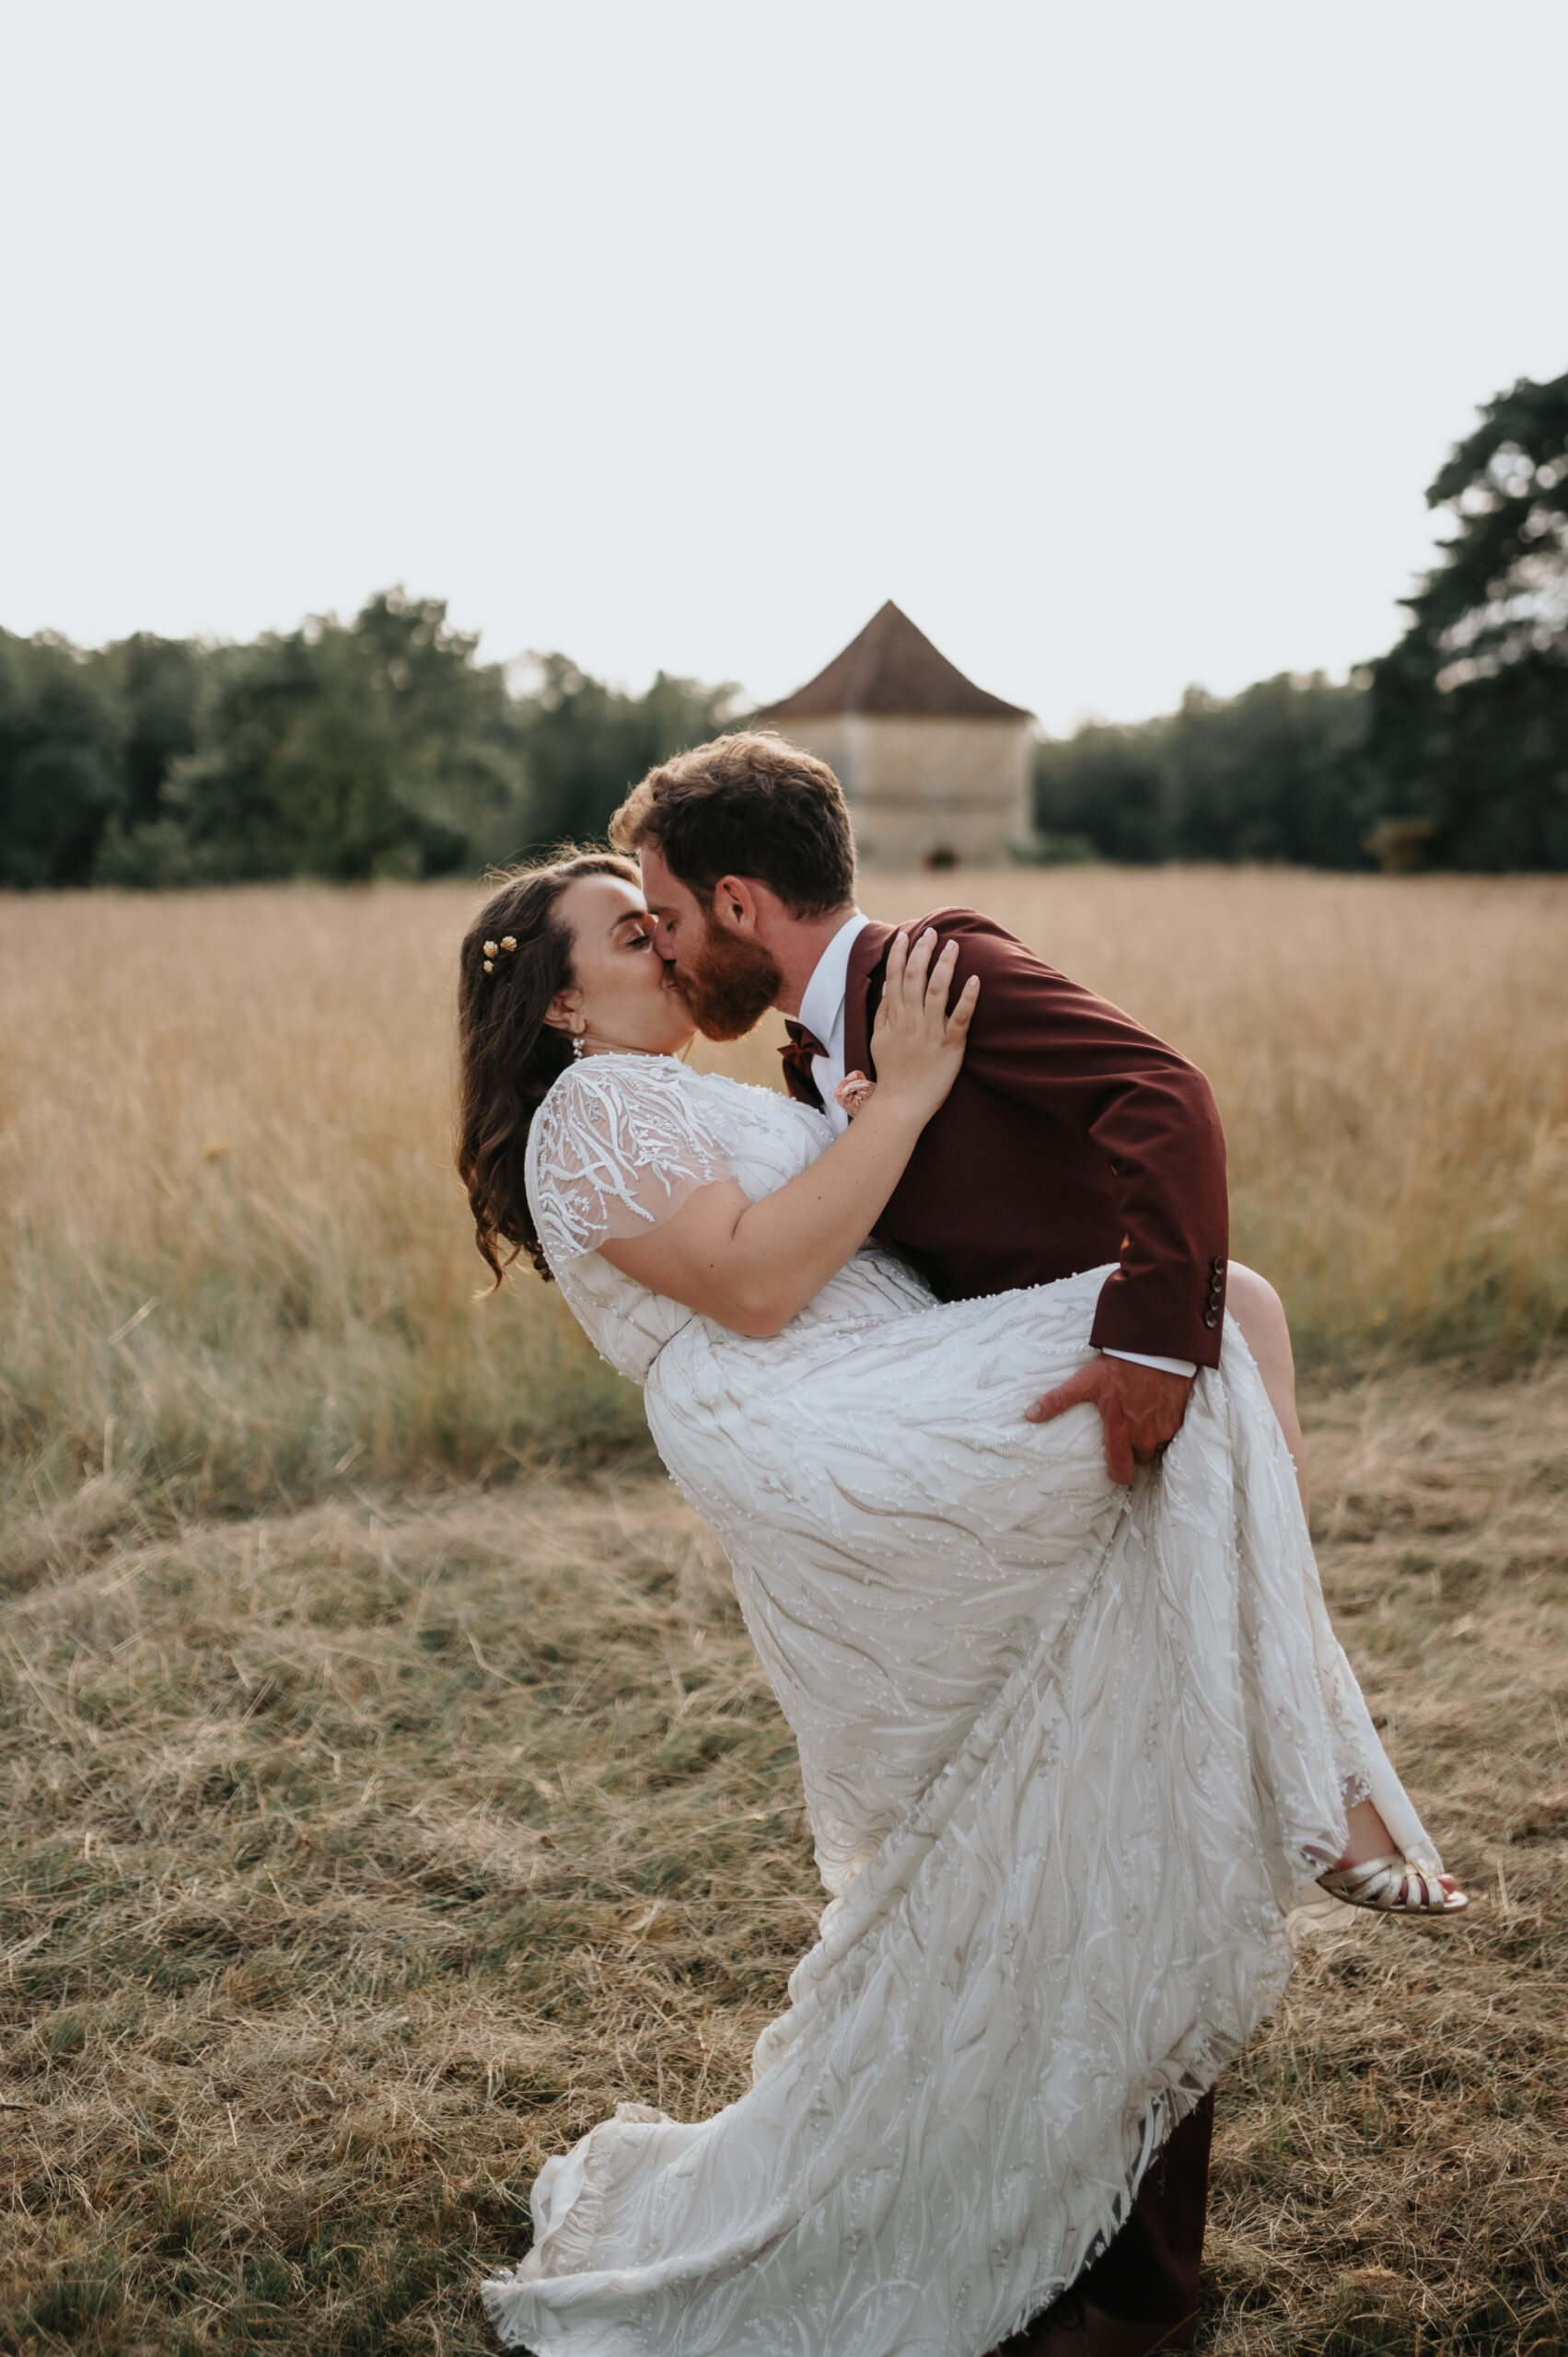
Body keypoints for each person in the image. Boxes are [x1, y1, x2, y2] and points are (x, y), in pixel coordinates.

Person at [459, 814, 1464, 2357]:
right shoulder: (585, 1115)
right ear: (563, 1007)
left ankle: (1307, 1751)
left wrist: (863, 1109)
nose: (659, 941)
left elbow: (838, 1217)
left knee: (1218, 1320)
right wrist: (906, 1095)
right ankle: (1320, 1768)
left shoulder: (670, 1094)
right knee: (1207, 1328)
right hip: (809, 1415)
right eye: (625, 931)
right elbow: (758, 1280)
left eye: (655, 914)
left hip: (871, 1372)